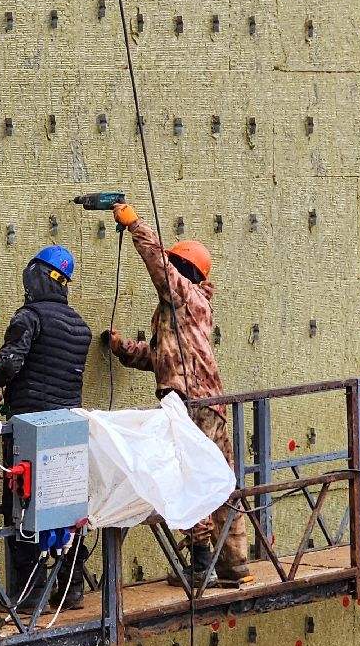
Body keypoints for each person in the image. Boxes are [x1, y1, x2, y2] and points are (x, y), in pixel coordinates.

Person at [105, 202, 252, 589]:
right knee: (220, 480)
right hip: (209, 403)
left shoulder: (185, 296)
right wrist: (122, 349)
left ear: (184, 270)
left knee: (191, 478)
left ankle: (201, 563)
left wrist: (135, 225)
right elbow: (161, 357)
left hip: (190, 404)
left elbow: (158, 264)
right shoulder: (184, 310)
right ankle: (234, 562)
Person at [0, 245, 93, 611]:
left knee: (23, 508)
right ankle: (71, 589)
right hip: (69, 430)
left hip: (29, 431)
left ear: (35, 277)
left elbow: (8, 365)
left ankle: (29, 595)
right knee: (67, 509)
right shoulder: (80, 326)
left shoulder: (29, 317)